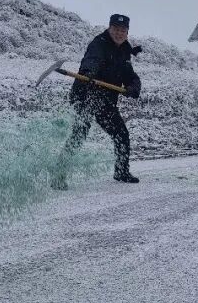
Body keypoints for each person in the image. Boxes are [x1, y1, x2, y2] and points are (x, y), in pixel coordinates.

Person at [53, 14, 142, 190]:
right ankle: (58, 176)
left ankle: (121, 171)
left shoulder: (125, 50)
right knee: (80, 134)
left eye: (123, 30)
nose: (119, 33)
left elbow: (129, 74)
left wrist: (133, 87)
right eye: (116, 29)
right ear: (109, 28)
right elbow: (91, 60)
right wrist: (89, 73)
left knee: (121, 134)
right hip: (85, 95)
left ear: (127, 32)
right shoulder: (99, 43)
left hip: (106, 99)